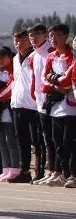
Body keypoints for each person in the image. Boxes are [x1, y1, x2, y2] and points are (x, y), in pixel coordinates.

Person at [41, 24, 75, 187]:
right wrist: (55, 85)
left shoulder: (72, 55)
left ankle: (73, 175)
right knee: (58, 143)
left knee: (70, 142)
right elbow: (44, 78)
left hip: (71, 107)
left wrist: (55, 80)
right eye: (51, 36)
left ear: (66, 36)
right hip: (55, 106)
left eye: (58, 35)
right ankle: (63, 173)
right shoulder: (51, 56)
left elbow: (68, 80)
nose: (53, 39)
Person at [10, 30, 41, 183]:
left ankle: (39, 170)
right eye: (15, 41)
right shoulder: (15, 58)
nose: (17, 44)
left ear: (28, 41)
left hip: (33, 105)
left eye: (20, 40)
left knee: (37, 140)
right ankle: (24, 170)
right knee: (21, 139)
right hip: (18, 104)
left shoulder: (35, 56)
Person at [0, 47, 21, 182]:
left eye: (2, 57)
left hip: (9, 113)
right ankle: (5, 168)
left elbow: (6, 93)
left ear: (9, 57)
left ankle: (15, 168)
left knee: (11, 142)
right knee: (1, 142)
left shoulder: (13, 72)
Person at [28, 24, 57, 185]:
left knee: (53, 139)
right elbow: (35, 78)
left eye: (37, 34)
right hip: (39, 103)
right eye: (31, 35)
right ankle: (46, 171)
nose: (33, 37)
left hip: (52, 101)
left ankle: (56, 170)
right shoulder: (33, 55)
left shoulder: (51, 52)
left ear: (45, 34)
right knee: (42, 139)